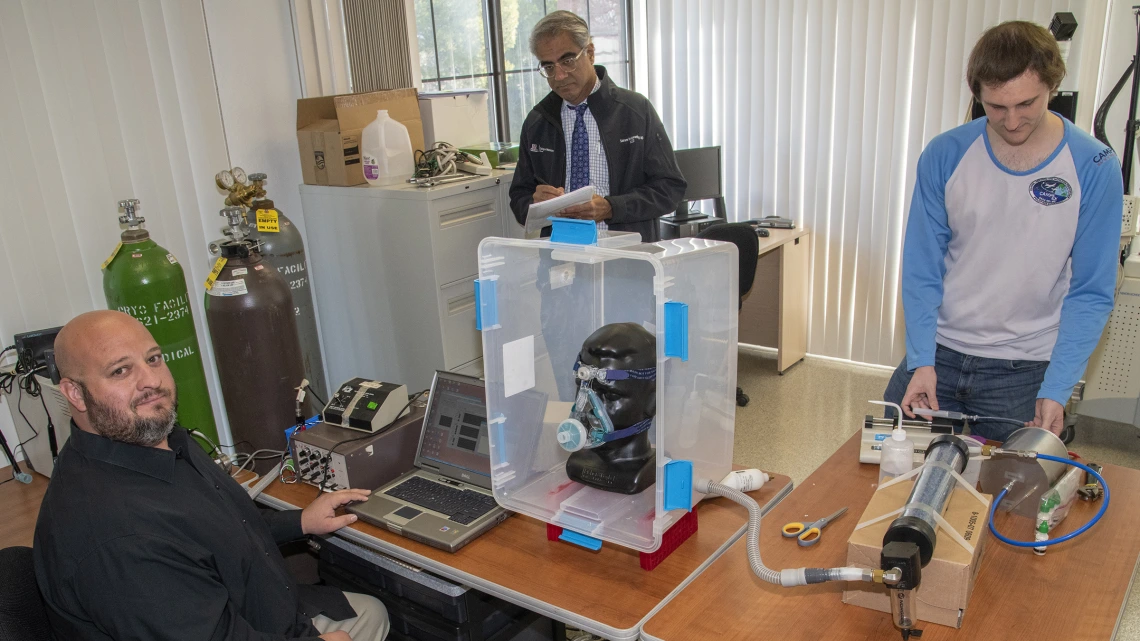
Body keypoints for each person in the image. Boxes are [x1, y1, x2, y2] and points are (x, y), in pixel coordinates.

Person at [34, 310, 389, 641]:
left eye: (153, 359)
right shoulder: (119, 538)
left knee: (372, 611)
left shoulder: (155, 440)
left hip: (256, 606)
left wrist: (300, 522)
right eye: (120, 371)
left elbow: (215, 529)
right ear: (74, 393)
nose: (151, 381)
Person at [885, 21, 1123, 441]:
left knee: (1007, 499)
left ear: (1053, 84)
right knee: (891, 476)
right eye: (995, 107)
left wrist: (1058, 386)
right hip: (937, 356)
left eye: (1026, 103)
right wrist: (921, 358)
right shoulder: (946, 154)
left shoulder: (1094, 165)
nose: (1012, 121)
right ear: (977, 95)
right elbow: (922, 267)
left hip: (1024, 372)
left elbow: (1091, 292)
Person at [510, 10, 686, 242]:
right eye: (549, 67)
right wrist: (535, 203)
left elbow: (669, 189)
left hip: (627, 256)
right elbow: (519, 199)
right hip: (561, 259)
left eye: (567, 61)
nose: (559, 76)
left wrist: (612, 207)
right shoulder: (537, 122)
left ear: (590, 53)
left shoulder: (635, 111)